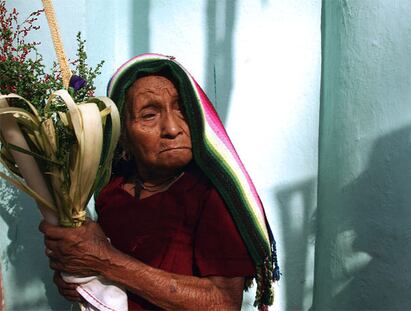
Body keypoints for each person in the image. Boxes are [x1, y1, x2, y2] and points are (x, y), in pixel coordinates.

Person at [40, 54, 279, 310]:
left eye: (182, 110)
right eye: (149, 115)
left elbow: (222, 303)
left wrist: (105, 261)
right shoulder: (113, 190)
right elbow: (106, 268)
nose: (172, 128)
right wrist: (80, 274)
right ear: (123, 137)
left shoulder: (211, 196)